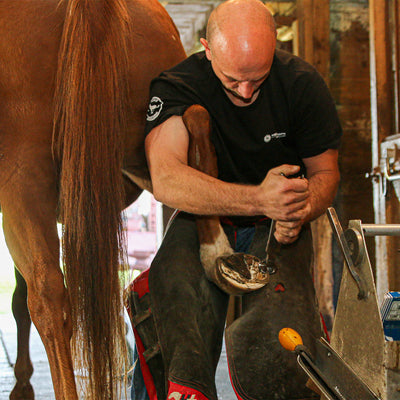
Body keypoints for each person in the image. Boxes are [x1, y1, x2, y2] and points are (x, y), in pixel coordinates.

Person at [131, 0, 342, 399]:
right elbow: (166, 179)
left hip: (279, 223)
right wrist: (260, 199)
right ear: (207, 47)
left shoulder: (301, 84)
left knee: (286, 343)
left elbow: (326, 174)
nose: (245, 91)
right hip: (202, 219)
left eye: (257, 79)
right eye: (233, 79)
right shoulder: (177, 85)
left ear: (275, 47)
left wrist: (302, 207)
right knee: (170, 310)